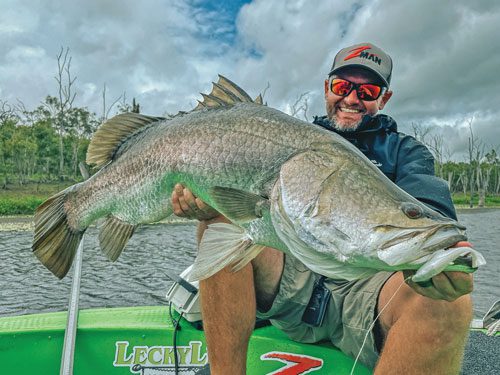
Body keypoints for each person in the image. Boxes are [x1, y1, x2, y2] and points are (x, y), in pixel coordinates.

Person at [171, 43, 473, 374]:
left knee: (450, 304)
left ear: (383, 98)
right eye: (343, 86)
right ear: (327, 88)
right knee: (221, 222)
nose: (352, 99)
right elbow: (233, 199)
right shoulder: (290, 136)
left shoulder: (408, 152)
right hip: (291, 286)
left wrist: (437, 261)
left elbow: (429, 209)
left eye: (368, 90)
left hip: (369, 293)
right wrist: (205, 204)